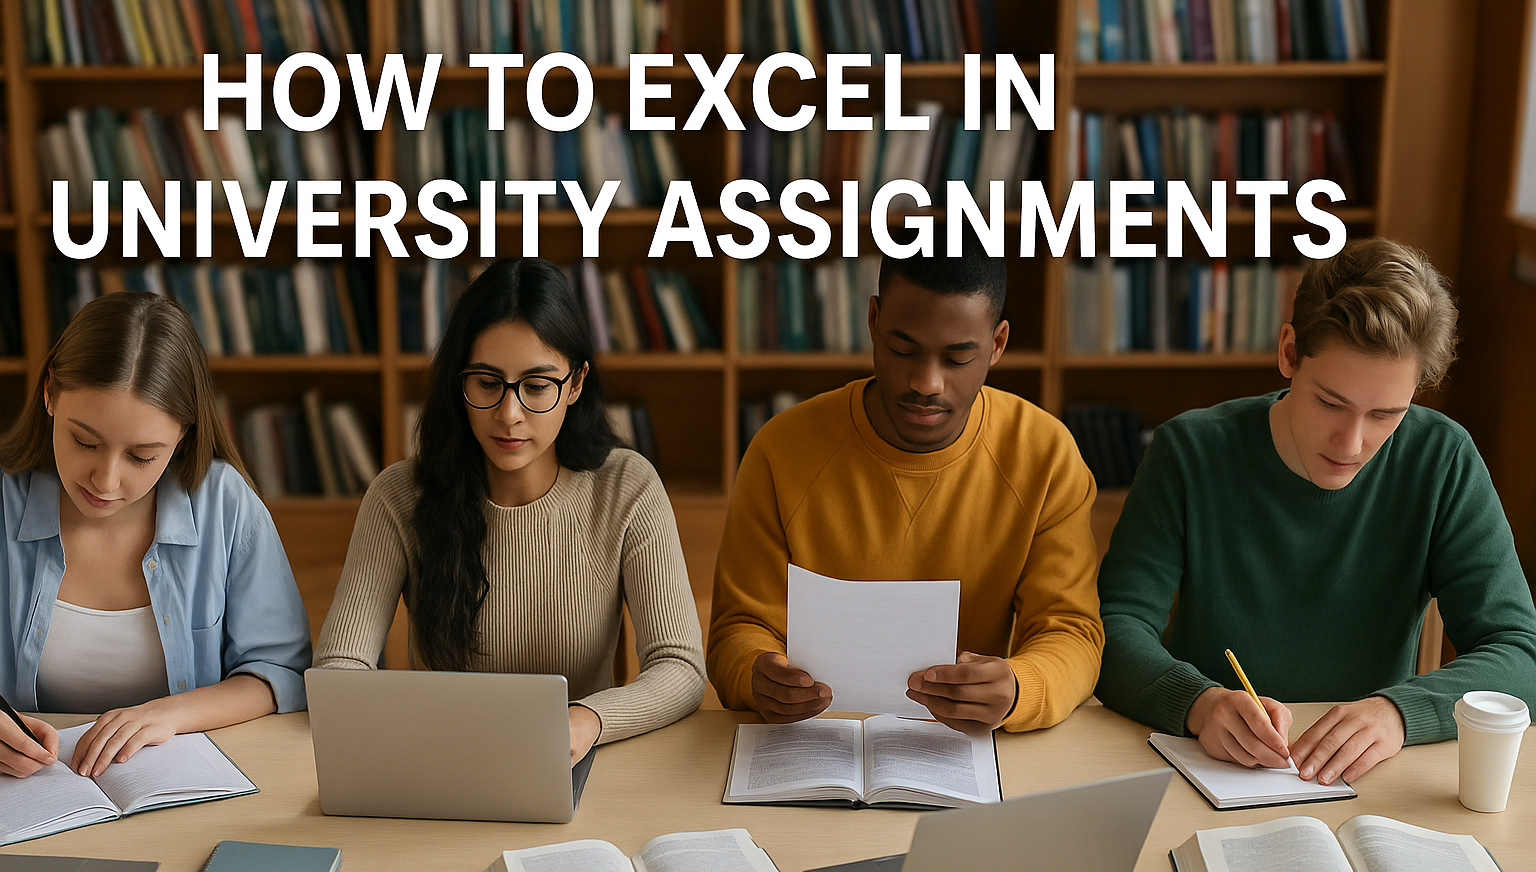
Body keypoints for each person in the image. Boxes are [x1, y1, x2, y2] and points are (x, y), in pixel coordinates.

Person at [1095, 237, 1536, 786]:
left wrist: (1400, 713)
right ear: (1288, 352)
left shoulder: (1442, 459)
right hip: (1207, 773)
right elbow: (1112, 628)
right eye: (1331, 402)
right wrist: (1199, 703)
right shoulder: (1189, 451)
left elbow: (1519, 654)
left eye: (1385, 414)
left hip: (1367, 781)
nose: (1352, 443)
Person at [313, 258, 705, 764]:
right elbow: (341, 667)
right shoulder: (400, 495)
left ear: (576, 384)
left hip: (574, 761)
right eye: (487, 383)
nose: (509, 414)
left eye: (537, 386)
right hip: (437, 764)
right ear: (459, 382)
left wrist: (587, 719)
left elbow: (679, 667)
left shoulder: (626, 487)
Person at [707, 238, 1104, 735]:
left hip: (969, 745)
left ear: (997, 345)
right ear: (873, 321)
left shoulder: (1044, 455)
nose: (927, 383)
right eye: (902, 349)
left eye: (958, 358)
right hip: (811, 741)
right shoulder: (781, 450)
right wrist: (755, 674)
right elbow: (736, 632)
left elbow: (1072, 632)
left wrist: (1020, 687)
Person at [0, 292, 312, 780]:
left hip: (179, 787)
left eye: (142, 455)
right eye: (85, 441)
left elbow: (279, 673)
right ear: (50, 393)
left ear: (183, 434)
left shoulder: (224, 504)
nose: (104, 480)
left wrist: (170, 714)